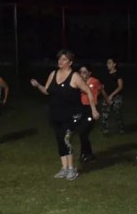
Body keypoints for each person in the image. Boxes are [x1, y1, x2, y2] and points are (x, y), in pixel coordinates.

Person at [30, 49, 100, 180]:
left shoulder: (75, 77)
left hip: (72, 115)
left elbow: (88, 91)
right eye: (59, 59)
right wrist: (38, 85)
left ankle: (72, 170)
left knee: (66, 139)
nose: (60, 61)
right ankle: (64, 168)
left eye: (64, 59)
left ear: (70, 62)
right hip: (56, 113)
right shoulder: (53, 74)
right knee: (59, 139)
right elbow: (46, 91)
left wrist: (94, 109)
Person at [77, 63, 106, 162]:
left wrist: (107, 99)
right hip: (82, 109)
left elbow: (101, 89)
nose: (82, 74)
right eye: (80, 72)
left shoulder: (94, 81)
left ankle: (86, 154)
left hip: (91, 109)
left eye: (84, 72)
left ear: (89, 73)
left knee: (83, 131)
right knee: (82, 133)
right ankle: (86, 154)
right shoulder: (78, 82)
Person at [100, 57, 124, 135]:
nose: (108, 64)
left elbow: (120, 87)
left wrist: (111, 96)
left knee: (117, 114)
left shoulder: (118, 74)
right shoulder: (105, 74)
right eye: (107, 63)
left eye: (109, 63)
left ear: (114, 64)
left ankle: (121, 128)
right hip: (106, 97)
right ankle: (105, 130)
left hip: (116, 97)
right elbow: (102, 87)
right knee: (104, 114)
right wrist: (107, 98)